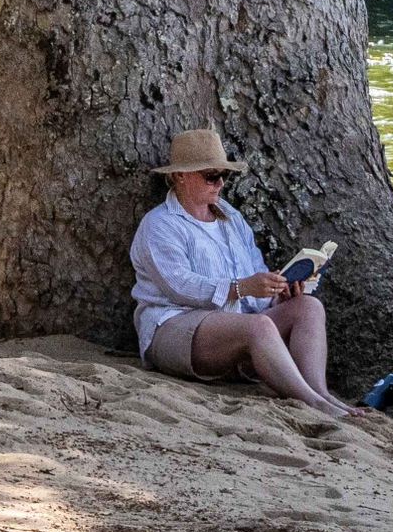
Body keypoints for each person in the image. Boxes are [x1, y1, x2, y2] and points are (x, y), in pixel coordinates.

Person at [128, 127, 357, 420]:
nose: (220, 184)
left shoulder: (231, 217)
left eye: (224, 175)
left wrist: (275, 292)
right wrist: (242, 288)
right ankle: (312, 404)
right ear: (181, 176)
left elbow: (253, 272)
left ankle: (320, 392)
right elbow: (179, 286)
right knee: (257, 327)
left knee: (308, 307)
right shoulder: (159, 225)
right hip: (174, 324)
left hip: (237, 323)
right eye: (211, 176)